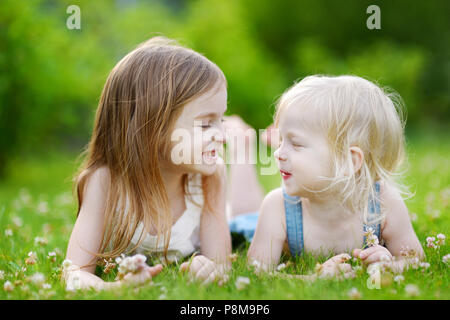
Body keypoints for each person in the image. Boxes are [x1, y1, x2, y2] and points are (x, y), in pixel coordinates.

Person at [64, 36, 233, 290]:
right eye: (206, 124)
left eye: (222, 120)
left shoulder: (210, 175)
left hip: (232, 209)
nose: (221, 136)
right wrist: (115, 289)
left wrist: (208, 269)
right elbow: (73, 274)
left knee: (246, 211)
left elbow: (221, 266)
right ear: (153, 127)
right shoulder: (105, 182)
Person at [247, 75, 424, 277]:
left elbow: (415, 260)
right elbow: (256, 272)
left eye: (295, 144)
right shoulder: (277, 207)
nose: (278, 153)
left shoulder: (383, 202)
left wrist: (389, 265)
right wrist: (313, 280)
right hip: (252, 221)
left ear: (350, 161)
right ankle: (240, 147)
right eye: (280, 142)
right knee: (241, 218)